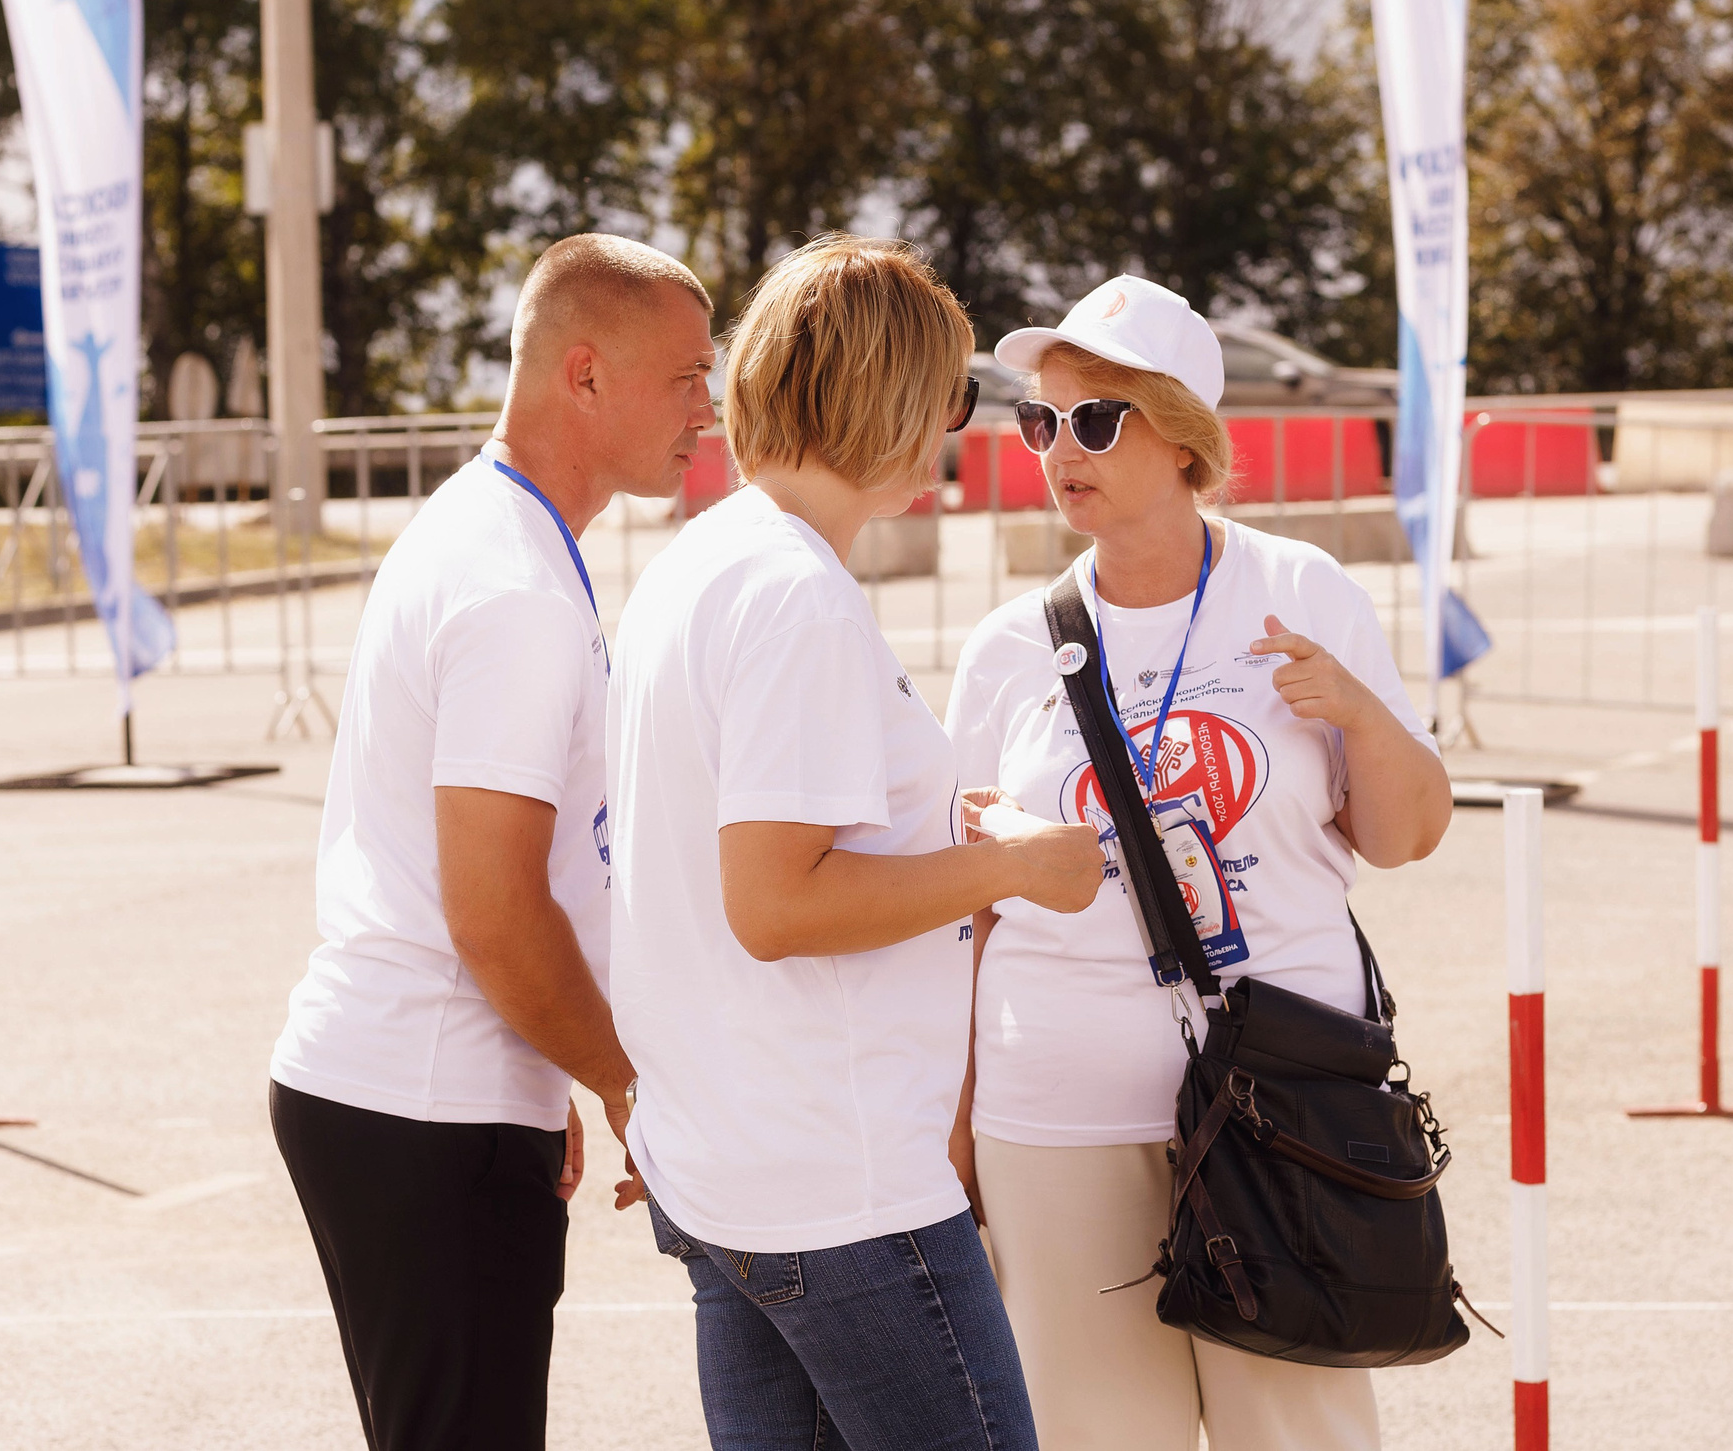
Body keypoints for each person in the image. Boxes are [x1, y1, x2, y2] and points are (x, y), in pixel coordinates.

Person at [606, 234, 1102, 1451]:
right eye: (956, 392)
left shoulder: (703, 565)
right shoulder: (793, 594)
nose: (957, 425)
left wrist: (941, 829)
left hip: (732, 1165)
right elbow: (776, 905)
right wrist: (1012, 867)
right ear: (887, 394)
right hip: (840, 1189)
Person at [943, 275, 1454, 1451]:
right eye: (1040, 420)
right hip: (1057, 1112)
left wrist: (1362, 716)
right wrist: (956, 1131)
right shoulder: (1008, 648)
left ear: (1181, 435)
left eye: (1096, 419)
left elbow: (1406, 835)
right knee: (1096, 1435)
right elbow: (968, 912)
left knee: (1297, 1431)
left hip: (1283, 1101)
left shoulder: (1297, 591)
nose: (1058, 448)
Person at [267, 234, 717, 1451]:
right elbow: (494, 909)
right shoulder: (512, 585)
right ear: (583, 375)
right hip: (423, 1102)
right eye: (684, 377)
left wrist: (541, 1072)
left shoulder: (496, 531)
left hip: (436, 1090)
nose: (707, 408)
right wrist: (627, 1086)